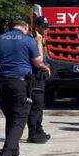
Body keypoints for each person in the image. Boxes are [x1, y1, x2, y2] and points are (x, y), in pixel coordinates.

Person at [0, 16, 49, 156]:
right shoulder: (28, 40)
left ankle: (14, 153)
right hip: (19, 83)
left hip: (2, 83)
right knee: (20, 119)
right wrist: (46, 67)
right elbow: (37, 62)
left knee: (11, 118)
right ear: (26, 27)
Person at [24, 16, 52, 144]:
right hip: (34, 76)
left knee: (40, 105)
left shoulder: (41, 38)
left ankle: (38, 129)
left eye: (47, 27)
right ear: (37, 26)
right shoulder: (32, 39)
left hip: (41, 75)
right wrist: (39, 42)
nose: (46, 29)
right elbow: (37, 60)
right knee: (35, 104)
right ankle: (32, 133)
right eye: (44, 27)